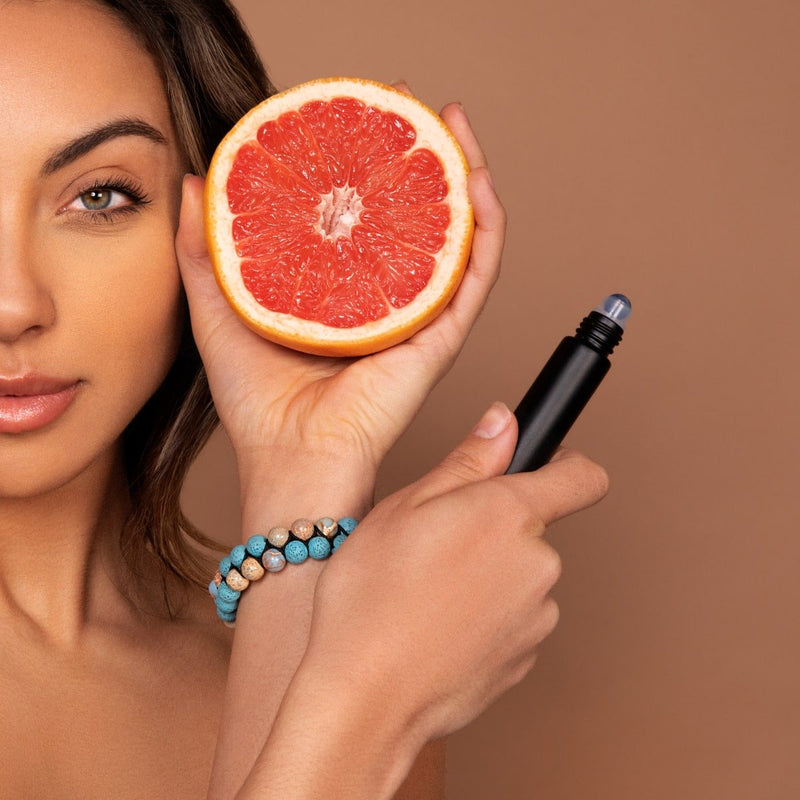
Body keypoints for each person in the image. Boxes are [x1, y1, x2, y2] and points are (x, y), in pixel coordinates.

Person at [0, 1, 609, 798]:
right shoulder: (367, 687)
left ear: (214, 227)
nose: (13, 304)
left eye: (102, 197)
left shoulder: (317, 667)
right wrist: (365, 704)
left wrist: (302, 468)